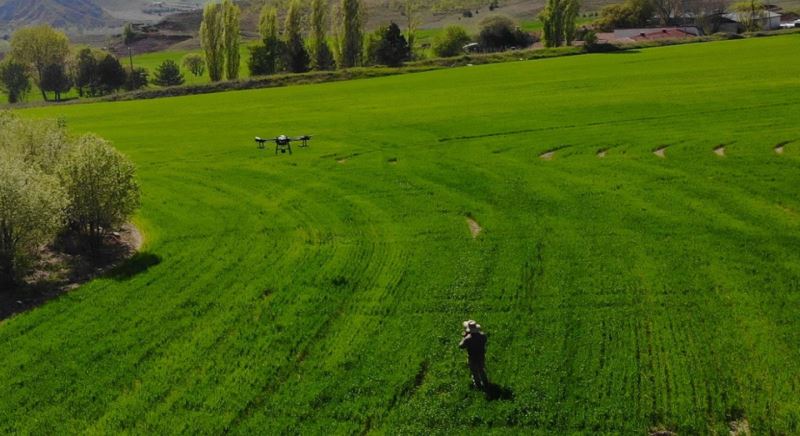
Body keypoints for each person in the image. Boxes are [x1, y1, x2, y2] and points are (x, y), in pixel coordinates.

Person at [459, 320, 489, 390]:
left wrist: (464, 337)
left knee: (474, 371)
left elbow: (460, 346)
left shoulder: (468, 339)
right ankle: (485, 382)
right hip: (481, 356)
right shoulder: (483, 336)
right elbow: (485, 339)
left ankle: (478, 385)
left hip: (472, 357)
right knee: (481, 369)